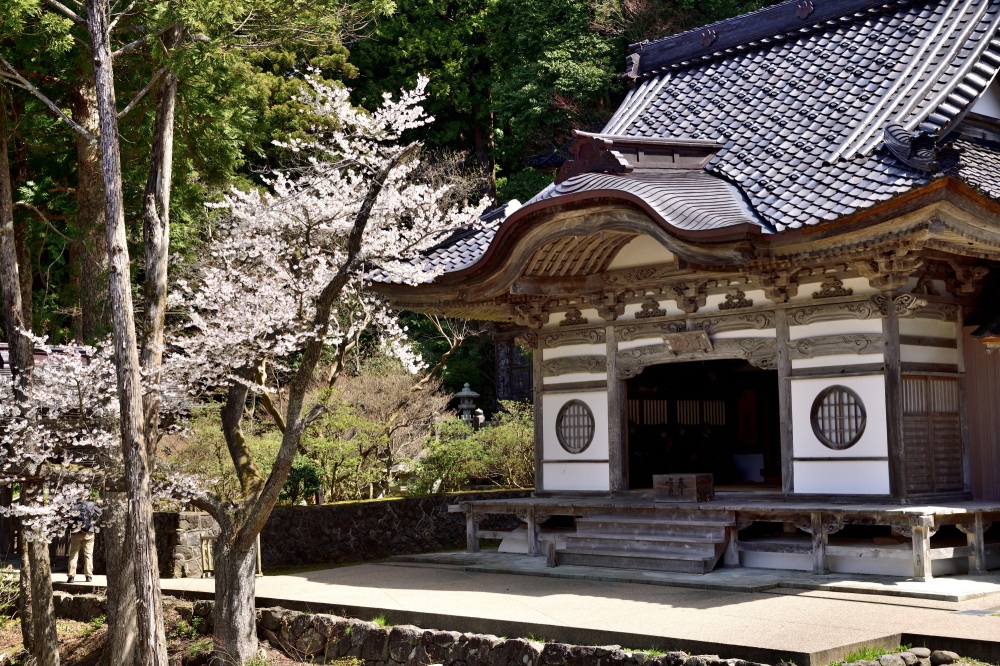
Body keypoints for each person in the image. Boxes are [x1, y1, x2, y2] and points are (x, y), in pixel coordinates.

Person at [67, 499, 102, 583]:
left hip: (76, 532)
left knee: (73, 554)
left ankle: (71, 576)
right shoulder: (90, 504)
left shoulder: (73, 504)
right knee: (88, 554)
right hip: (89, 531)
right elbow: (99, 512)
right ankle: (88, 576)